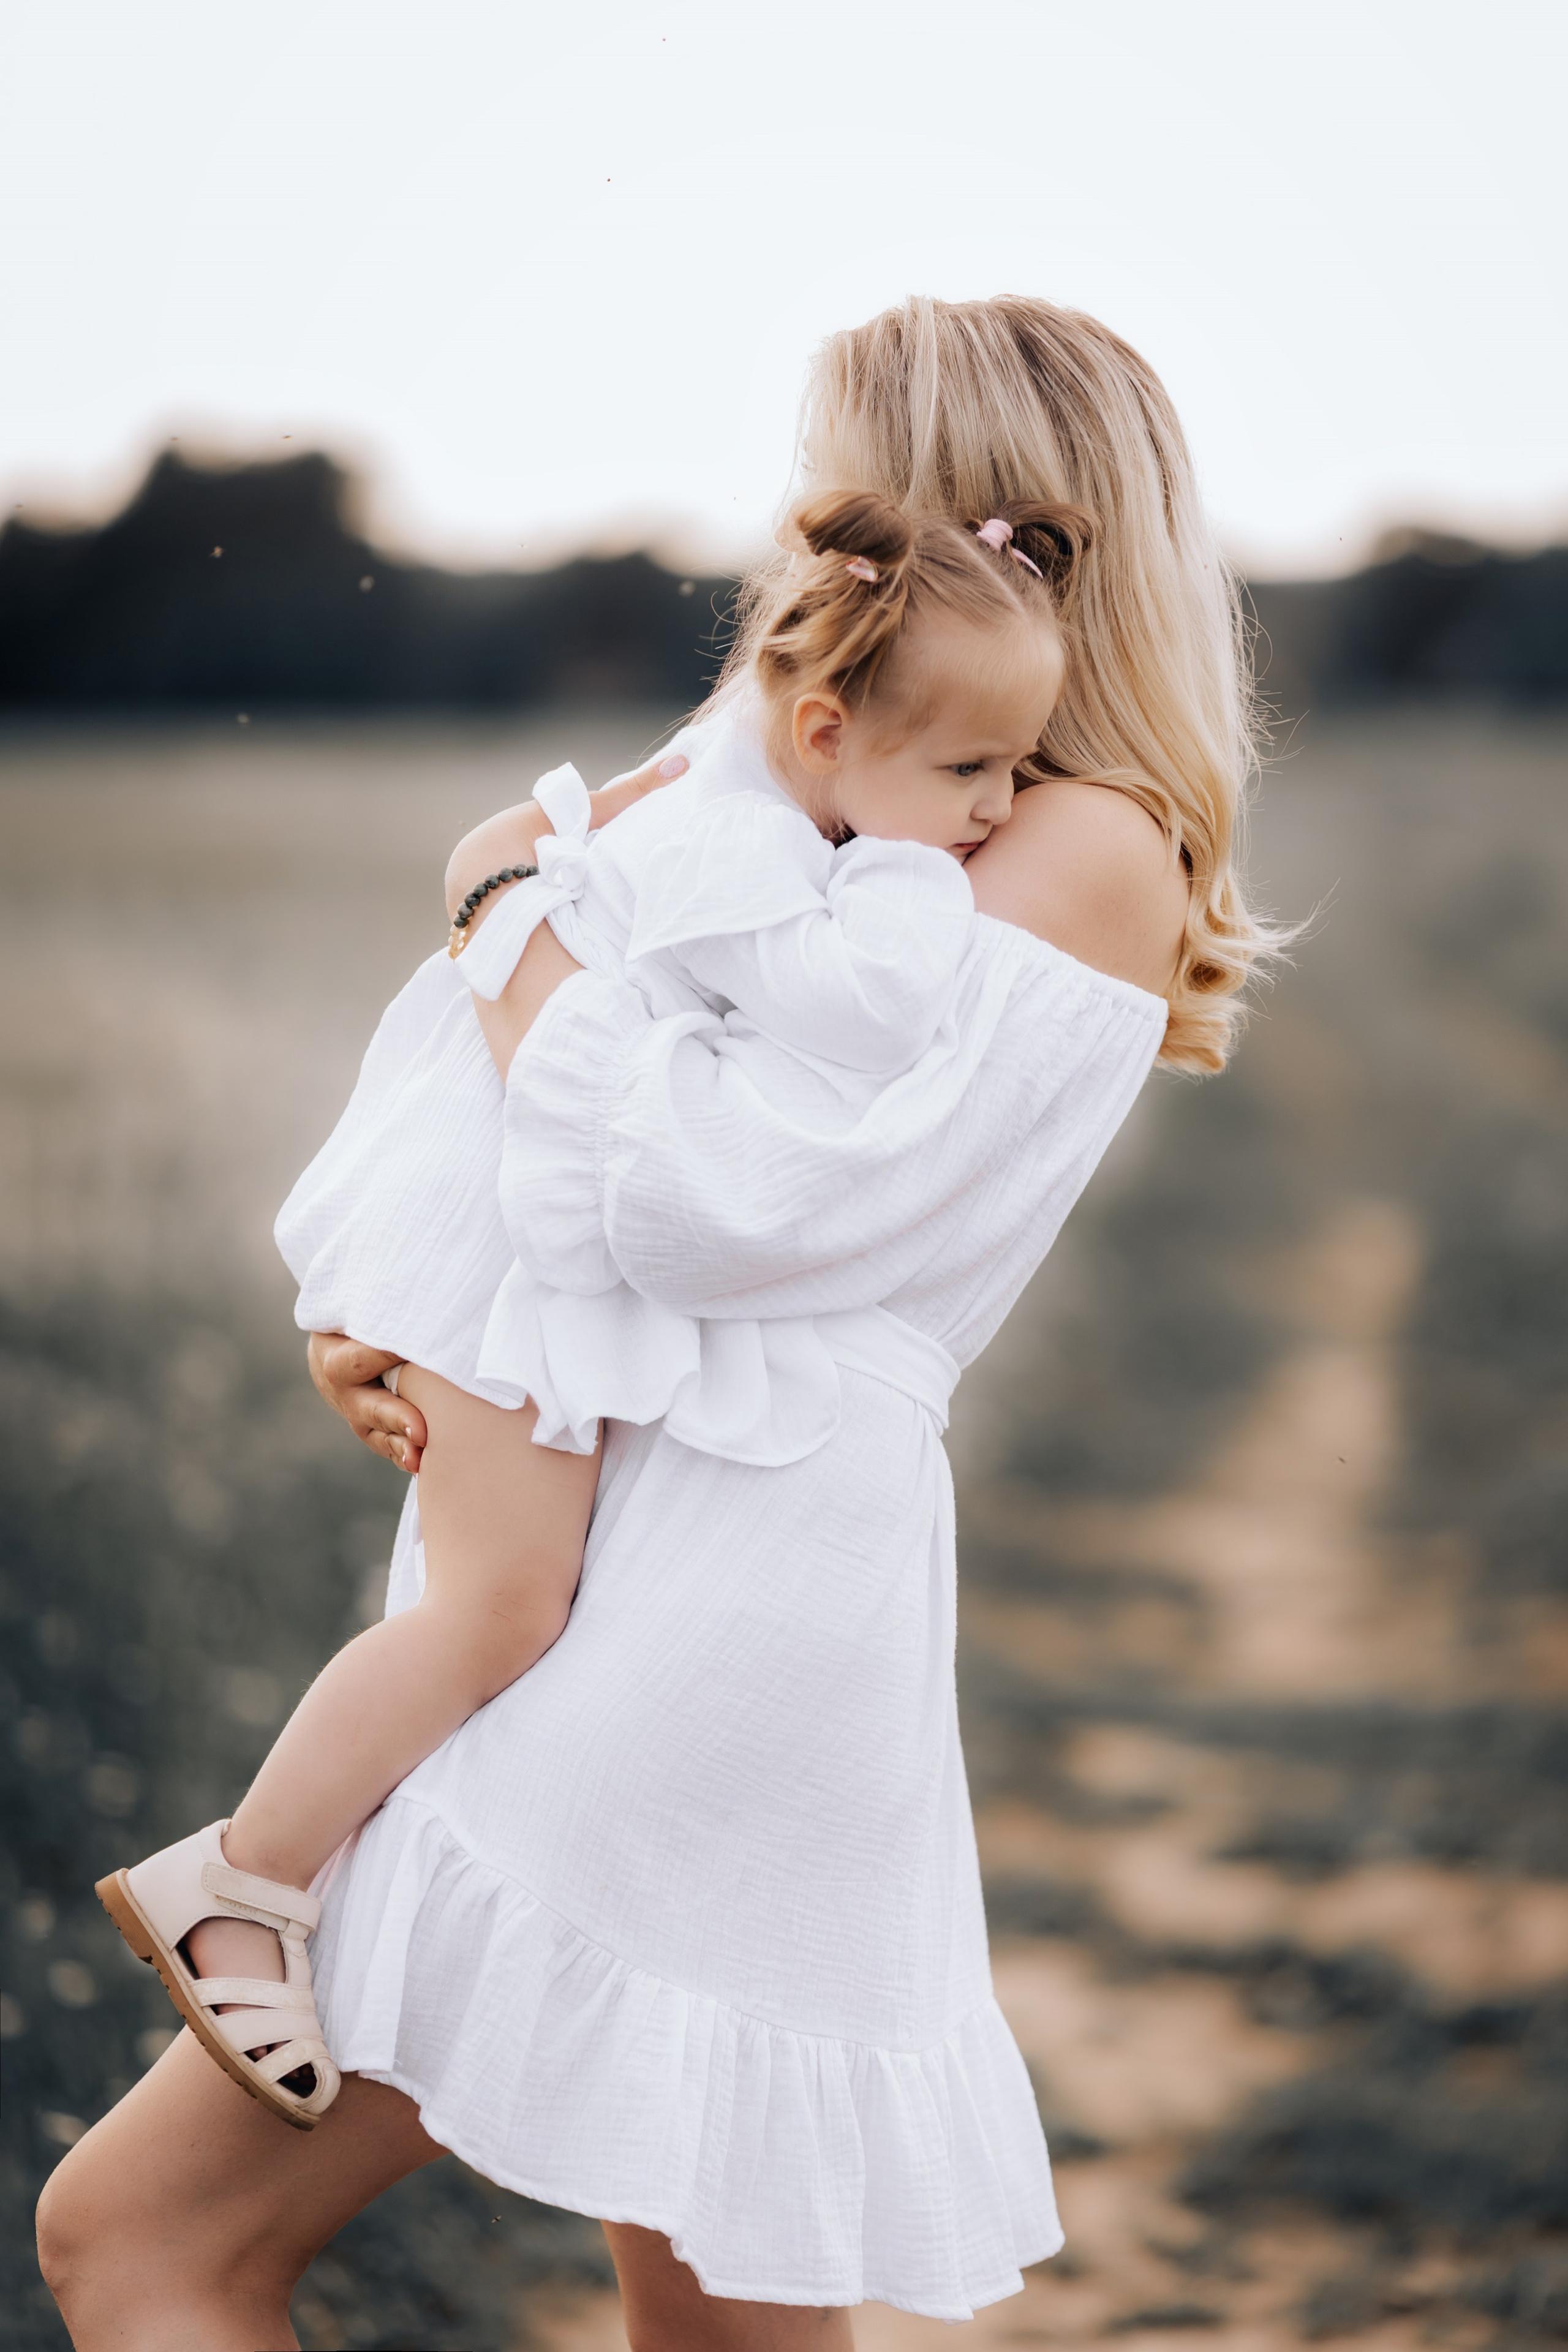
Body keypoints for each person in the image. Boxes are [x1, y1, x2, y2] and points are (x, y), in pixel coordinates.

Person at [39, 295, 1270, 2352]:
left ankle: (240, 1878)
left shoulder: (1068, 842)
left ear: (973, 516)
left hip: (713, 1597)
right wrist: (412, 1301)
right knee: (711, 2323)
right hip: (665, 1540)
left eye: (842, 489)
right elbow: (587, 1002)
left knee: (145, 2240)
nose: (804, 539)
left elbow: (705, 1199)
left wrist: (500, 922)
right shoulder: (838, 789)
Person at [93, 489, 1084, 2128]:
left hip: (510, 1239)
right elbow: (859, 1012)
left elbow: (532, 872)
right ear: (827, 731)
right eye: (973, 768)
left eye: (1019, 769)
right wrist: (903, 885)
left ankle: (272, 1878)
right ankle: (243, 1881)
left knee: (504, 1602)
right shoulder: (756, 856)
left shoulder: (750, 793)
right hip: (500, 1254)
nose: (1000, 807)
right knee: (499, 1609)